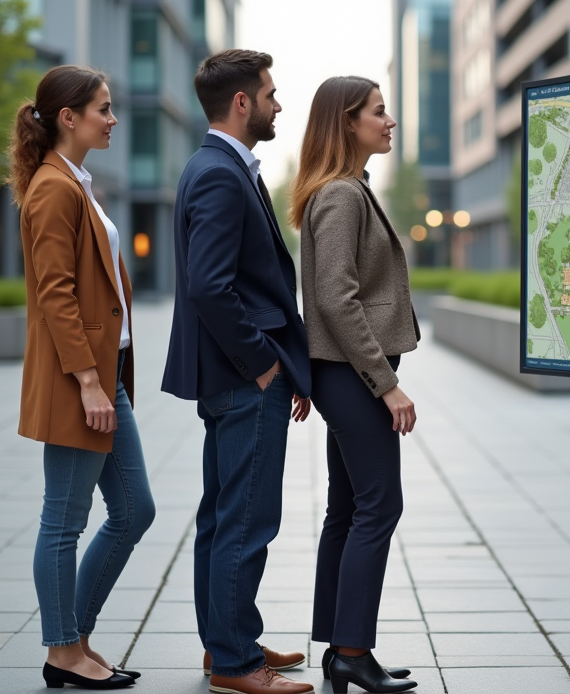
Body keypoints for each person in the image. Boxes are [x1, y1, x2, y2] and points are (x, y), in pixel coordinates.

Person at [162, 50, 314, 694]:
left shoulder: (220, 167)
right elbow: (211, 286)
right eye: (272, 94)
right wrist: (263, 367)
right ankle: (234, 664)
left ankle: (228, 642)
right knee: (247, 519)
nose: (279, 105)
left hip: (230, 377)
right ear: (243, 103)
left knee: (224, 517)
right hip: (242, 378)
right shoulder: (222, 174)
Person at [10, 65, 154, 690]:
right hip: (83, 383)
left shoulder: (76, 182)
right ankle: (63, 651)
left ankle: (73, 636)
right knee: (64, 519)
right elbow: (56, 295)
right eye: (103, 108)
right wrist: (90, 384)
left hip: (105, 378)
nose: (113, 118)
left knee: (133, 511)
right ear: (68, 117)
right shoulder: (53, 188)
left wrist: (106, 379)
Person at [291, 77, 421, 694]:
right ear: (347, 123)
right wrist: (386, 383)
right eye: (377, 111)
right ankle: (351, 651)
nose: (389, 120)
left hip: (340, 375)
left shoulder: (345, 190)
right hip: (352, 376)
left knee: (346, 510)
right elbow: (338, 301)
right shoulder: (342, 195)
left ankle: (341, 647)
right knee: (379, 505)